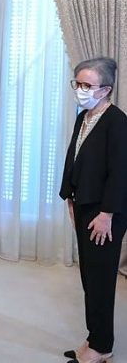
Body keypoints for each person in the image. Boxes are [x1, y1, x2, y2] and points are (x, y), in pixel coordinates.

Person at [59, 57, 127, 363]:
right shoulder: (84, 117)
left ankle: (101, 347)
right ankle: (95, 337)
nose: (80, 89)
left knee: (100, 279)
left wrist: (106, 215)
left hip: (105, 213)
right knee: (89, 276)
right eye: (78, 83)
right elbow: (74, 157)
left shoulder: (117, 122)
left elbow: (120, 173)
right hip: (85, 205)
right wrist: (69, 197)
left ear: (106, 90)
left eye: (87, 85)